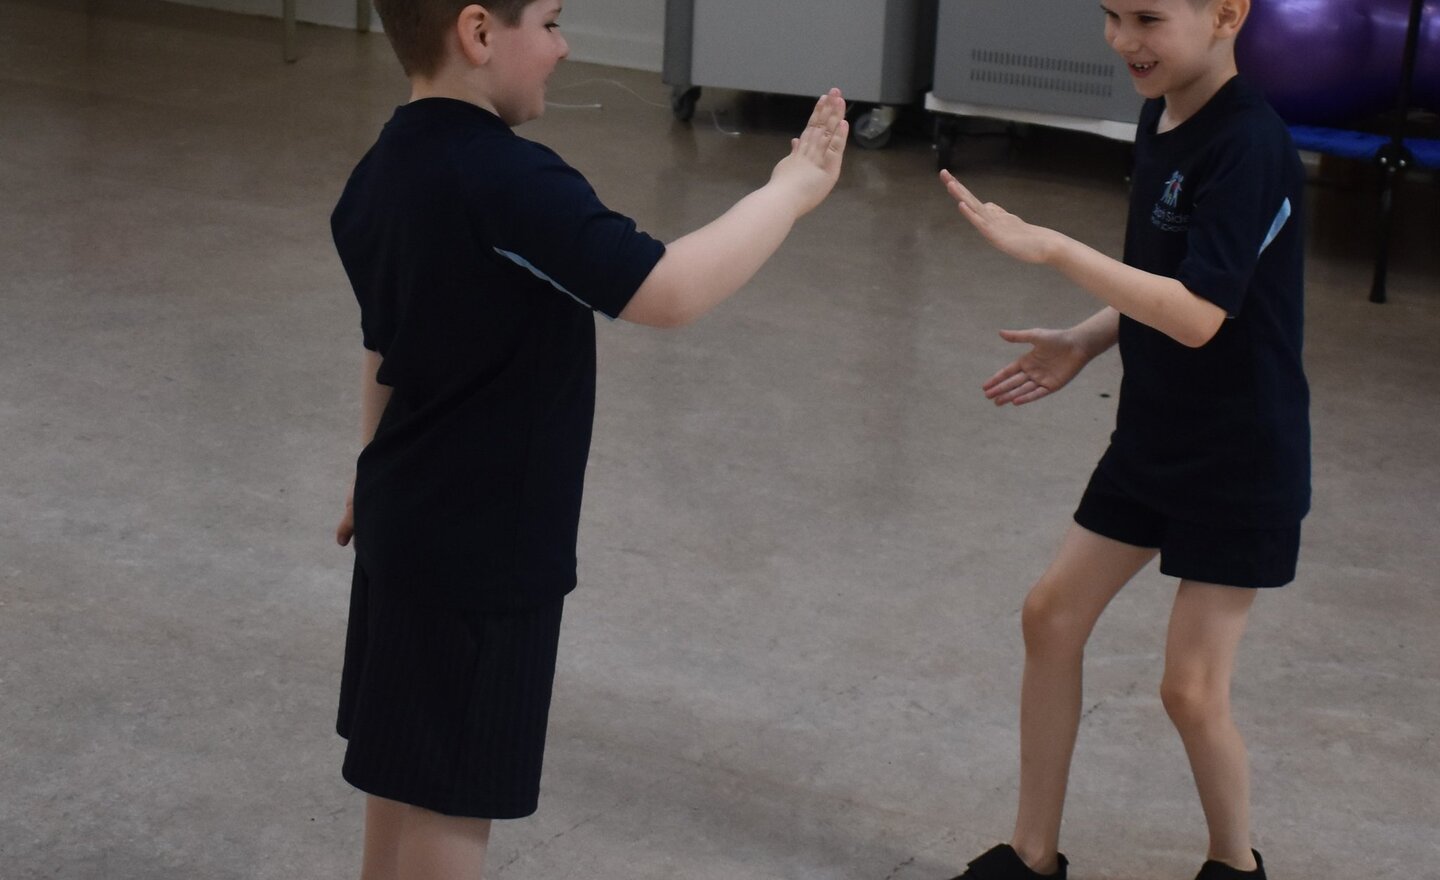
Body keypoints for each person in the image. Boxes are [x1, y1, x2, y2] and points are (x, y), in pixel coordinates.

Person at [328, 1, 848, 877]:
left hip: (403, 526)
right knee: (451, 810)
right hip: (482, 559)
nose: (566, 49)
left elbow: (385, 346)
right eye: (554, 23)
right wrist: (789, 192)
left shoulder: (380, 169)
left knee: (403, 790)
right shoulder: (507, 181)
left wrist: (363, 469)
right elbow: (667, 289)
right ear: (480, 33)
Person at [937, 0, 1307, 878]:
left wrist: (1056, 248)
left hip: (1239, 455)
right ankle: (1032, 856)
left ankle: (1234, 866)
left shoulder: (1250, 145)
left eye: (1146, 16)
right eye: (1109, 13)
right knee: (1051, 616)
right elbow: (1159, 281)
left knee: (1189, 688)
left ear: (1226, 14)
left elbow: (1197, 315)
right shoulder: (1163, 113)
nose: (1121, 40)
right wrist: (1089, 336)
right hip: (1153, 435)